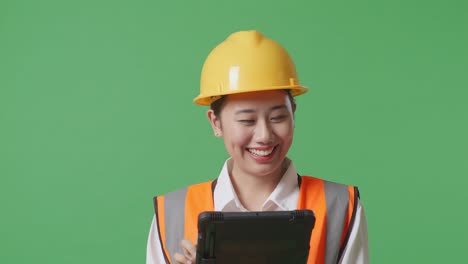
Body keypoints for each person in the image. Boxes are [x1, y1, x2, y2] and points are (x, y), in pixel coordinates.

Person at [146, 30, 369, 264]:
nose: (264, 136)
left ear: (293, 113)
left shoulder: (339, 206)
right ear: (216, 122)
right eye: (247, 120)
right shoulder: (172, 213)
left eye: (278, 117)